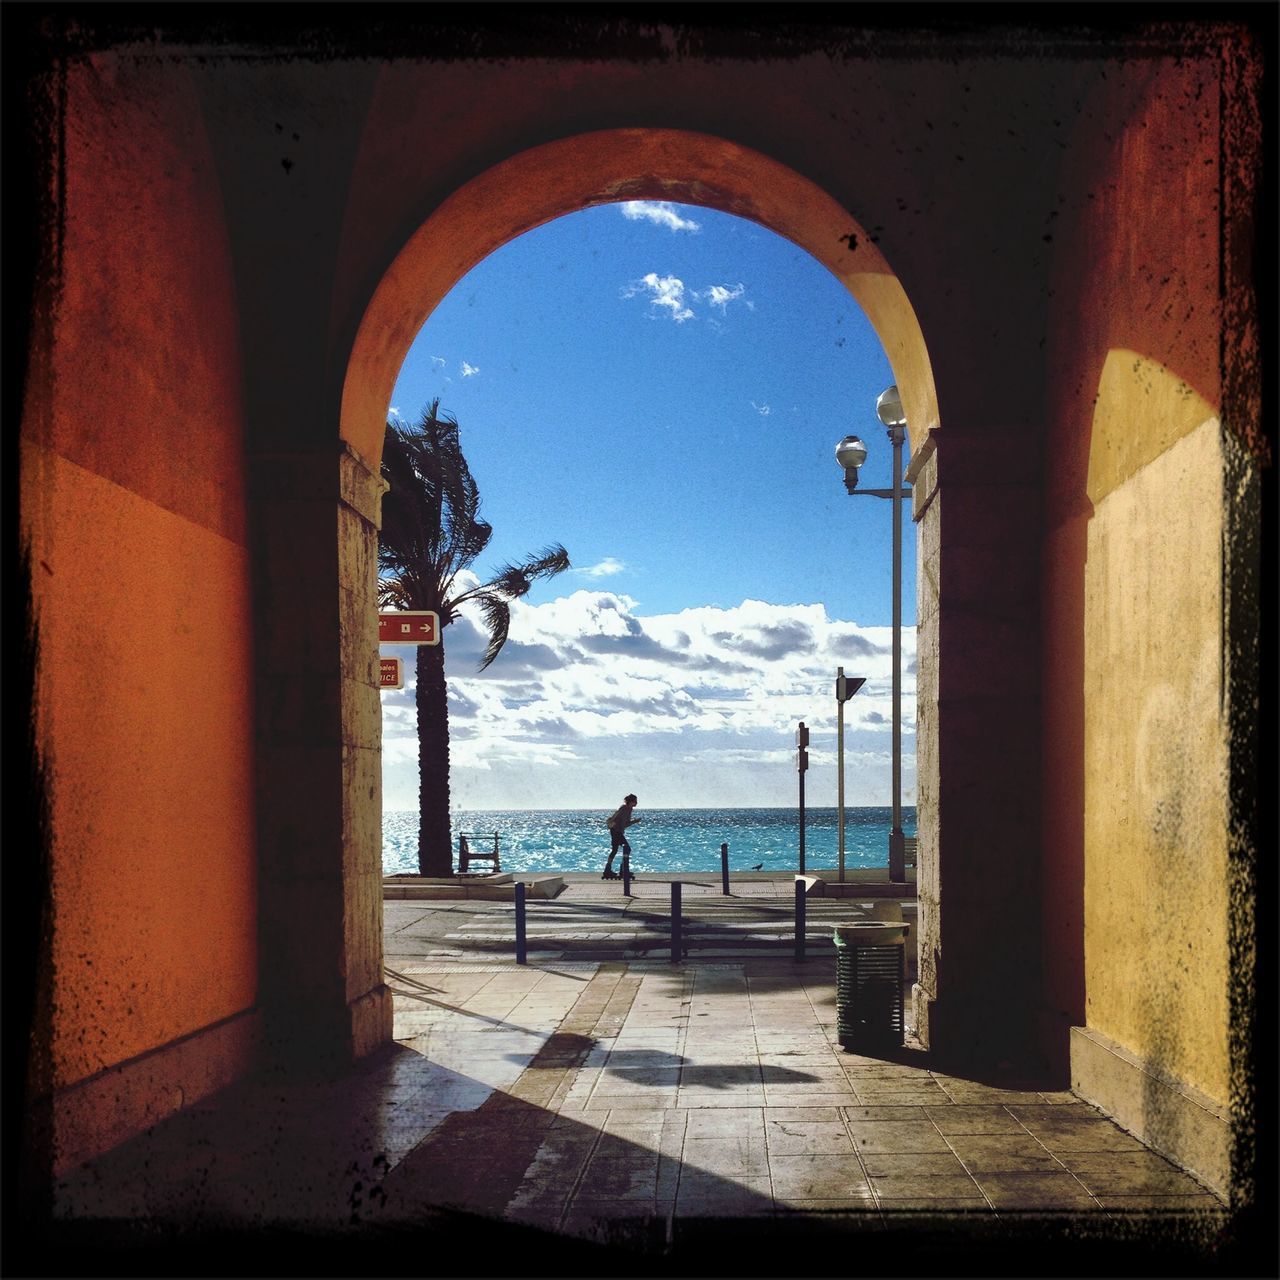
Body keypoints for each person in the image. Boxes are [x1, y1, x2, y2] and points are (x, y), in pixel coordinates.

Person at [602, 793, 641, 880]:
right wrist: (612, 822)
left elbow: (625, 824)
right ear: (630, 801)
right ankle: (622, 870)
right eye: (635, 801)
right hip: (616, 831)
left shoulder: (629, 810)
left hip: (619, 831)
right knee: (627, 848)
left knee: (615, 850)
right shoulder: (624, 808)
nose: (636, 803)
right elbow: (615, 816)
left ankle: (609, 870)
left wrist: (635, 821)